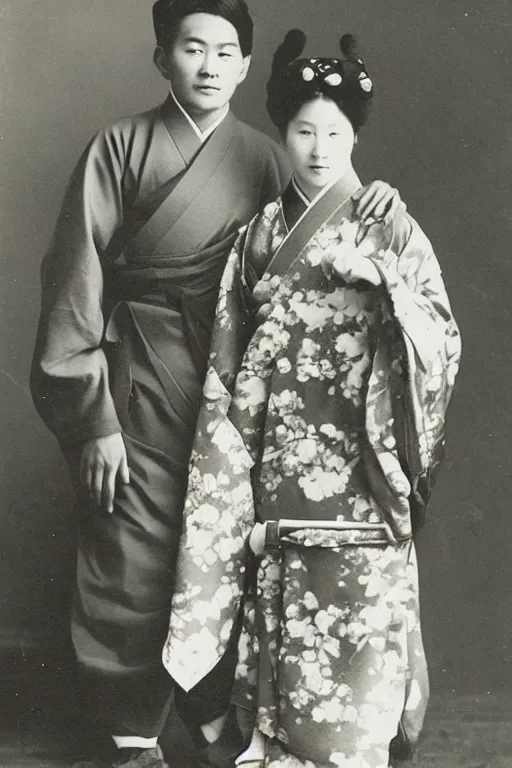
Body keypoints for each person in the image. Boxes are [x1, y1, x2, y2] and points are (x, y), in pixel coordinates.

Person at [30, 1, 406, 765]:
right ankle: (131, 732)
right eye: (191, 48)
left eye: (226, 51)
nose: (208, 66)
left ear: (243, 65)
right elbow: (75, 280)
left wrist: (383, 208)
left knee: (225, 554)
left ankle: (215, 718)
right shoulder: (120, 148)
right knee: (128, 557)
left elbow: (328, 243)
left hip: (236, 389)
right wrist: (89, 418)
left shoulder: (271, 155)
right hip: (136, 381)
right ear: (161, 57)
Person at [164, 29, 461, 768]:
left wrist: (385, 283)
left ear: (355, 134)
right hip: (283, 452)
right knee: (286, 611)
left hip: (364, 456)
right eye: (303, 131)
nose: (320, 149)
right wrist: (232, 447)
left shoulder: (388, 222)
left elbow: (442, 340)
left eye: (335, 132)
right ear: (282, 133)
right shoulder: (262, 234)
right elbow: (231, 357)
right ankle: (280, 741)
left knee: (357, 616)